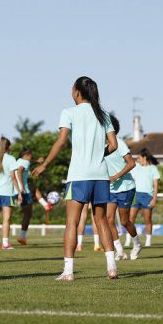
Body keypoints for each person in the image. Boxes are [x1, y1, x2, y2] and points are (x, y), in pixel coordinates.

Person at [33, 76, 119, 281]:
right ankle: (112, 267)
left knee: (72, 222)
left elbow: (61, 142)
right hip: (101, 176)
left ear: (78, 92)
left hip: (79, 175)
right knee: (102, 222)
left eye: (72, 90)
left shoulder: (68, 113)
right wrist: (99, 154)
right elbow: (114, 145)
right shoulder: (104, 114)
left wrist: (45, 164)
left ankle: (68, 272)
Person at [103, 114, 142, 261]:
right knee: (108, 219)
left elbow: (131, 163)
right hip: (110, 189)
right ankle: (120, 251)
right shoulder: (101, 146)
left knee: (125, 221)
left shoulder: (119, 143)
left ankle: (137, 244)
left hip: (125, 187)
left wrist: (116, 176)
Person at [130, 149, 160, 247]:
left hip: (148, 196)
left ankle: (148, 242)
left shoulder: (153, 168)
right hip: (136, 195)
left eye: (139, 158)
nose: (138, 160)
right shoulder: (136, 167)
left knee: (147, 219)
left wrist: (154, 198)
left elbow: (156, 186)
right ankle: (129, 240)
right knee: (130, 219)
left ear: (144, 157)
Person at [14, 149, 34, 245]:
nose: (31, 158)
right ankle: (22, 237)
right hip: (23, 191)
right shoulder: (26, 162)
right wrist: (21, 187)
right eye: (31, 156)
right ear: (26, 155)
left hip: (13, 190)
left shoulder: (17, 161)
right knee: (28, 214)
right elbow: (19, 171)